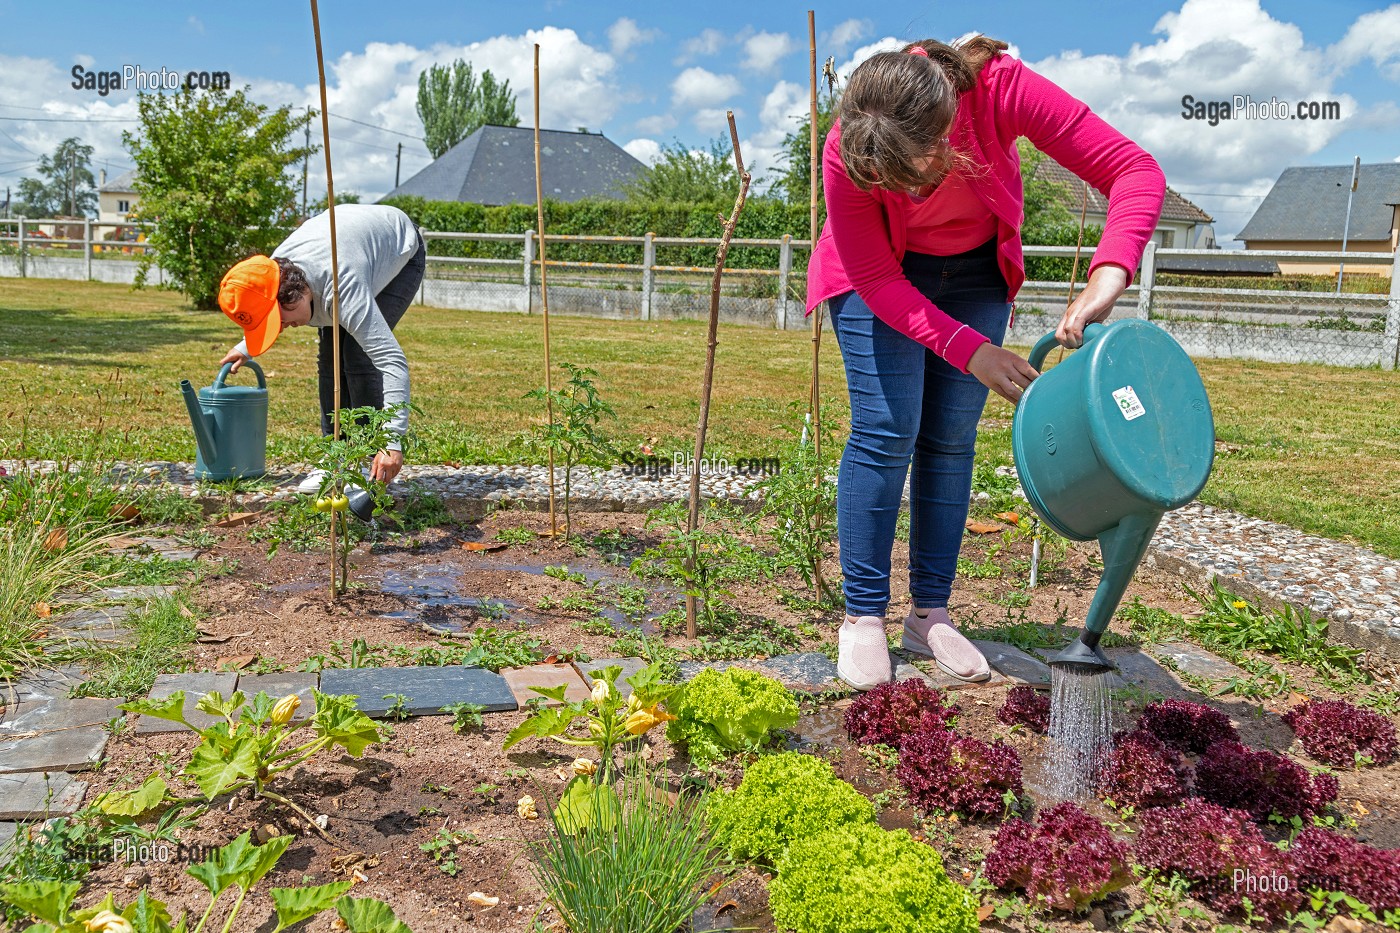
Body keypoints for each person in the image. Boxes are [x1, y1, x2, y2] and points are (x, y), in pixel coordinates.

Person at [807, 36, 1164, 690]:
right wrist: (972, 351)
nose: (910, 192)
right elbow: (881, 281)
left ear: (948, 131)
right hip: (874, 276)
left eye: (916, 174)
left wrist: (1109, 273)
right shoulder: (850, 144)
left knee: (949, 437)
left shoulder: (1000, 88)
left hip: (973, 272)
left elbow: (1134, 171)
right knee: (888, 428)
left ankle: (930, 614)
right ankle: (863, 616)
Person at [217, 203, 426, 489]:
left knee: (357, 353)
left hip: (399, 248)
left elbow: (391, 361)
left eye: (279, 320)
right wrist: (246, 346)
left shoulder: (342, 287)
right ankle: (334, 459)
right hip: (346, 247)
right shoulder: (269, 273)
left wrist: (393, 441)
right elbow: (267, 308)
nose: (281, 327)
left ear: (297, 295)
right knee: (330, 359)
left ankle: (364, 463)